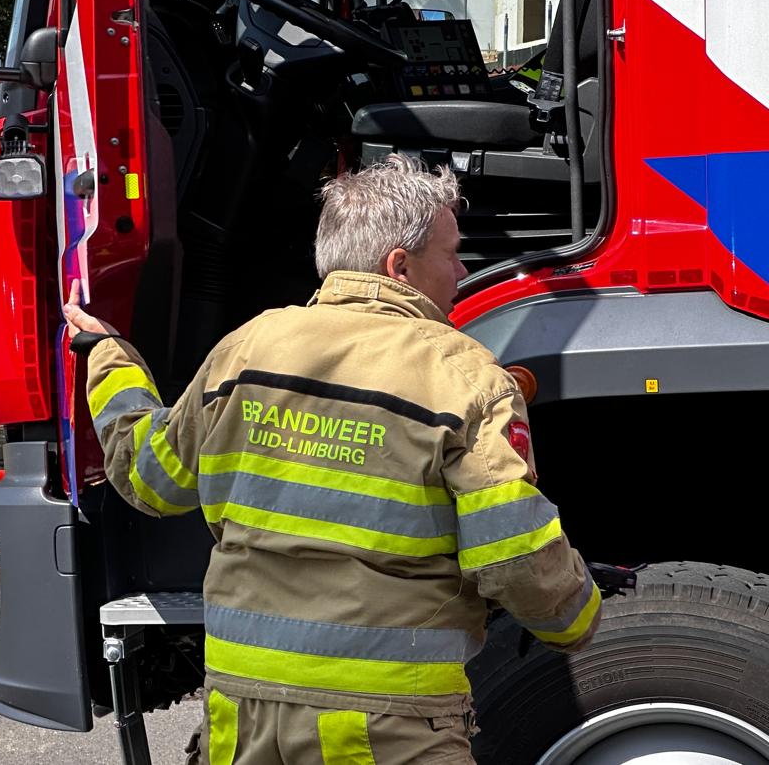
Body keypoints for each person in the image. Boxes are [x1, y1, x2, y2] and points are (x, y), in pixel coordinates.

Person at [65, 155, 600, 765]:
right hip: (389, 721)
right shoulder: (465, 377)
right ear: (398, 266)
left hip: (242, 717)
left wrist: (108, 358)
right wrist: (580, 618)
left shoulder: (247, 349)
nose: (463, 269)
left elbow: (148, 480)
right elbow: (515, 557)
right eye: (451, 253)